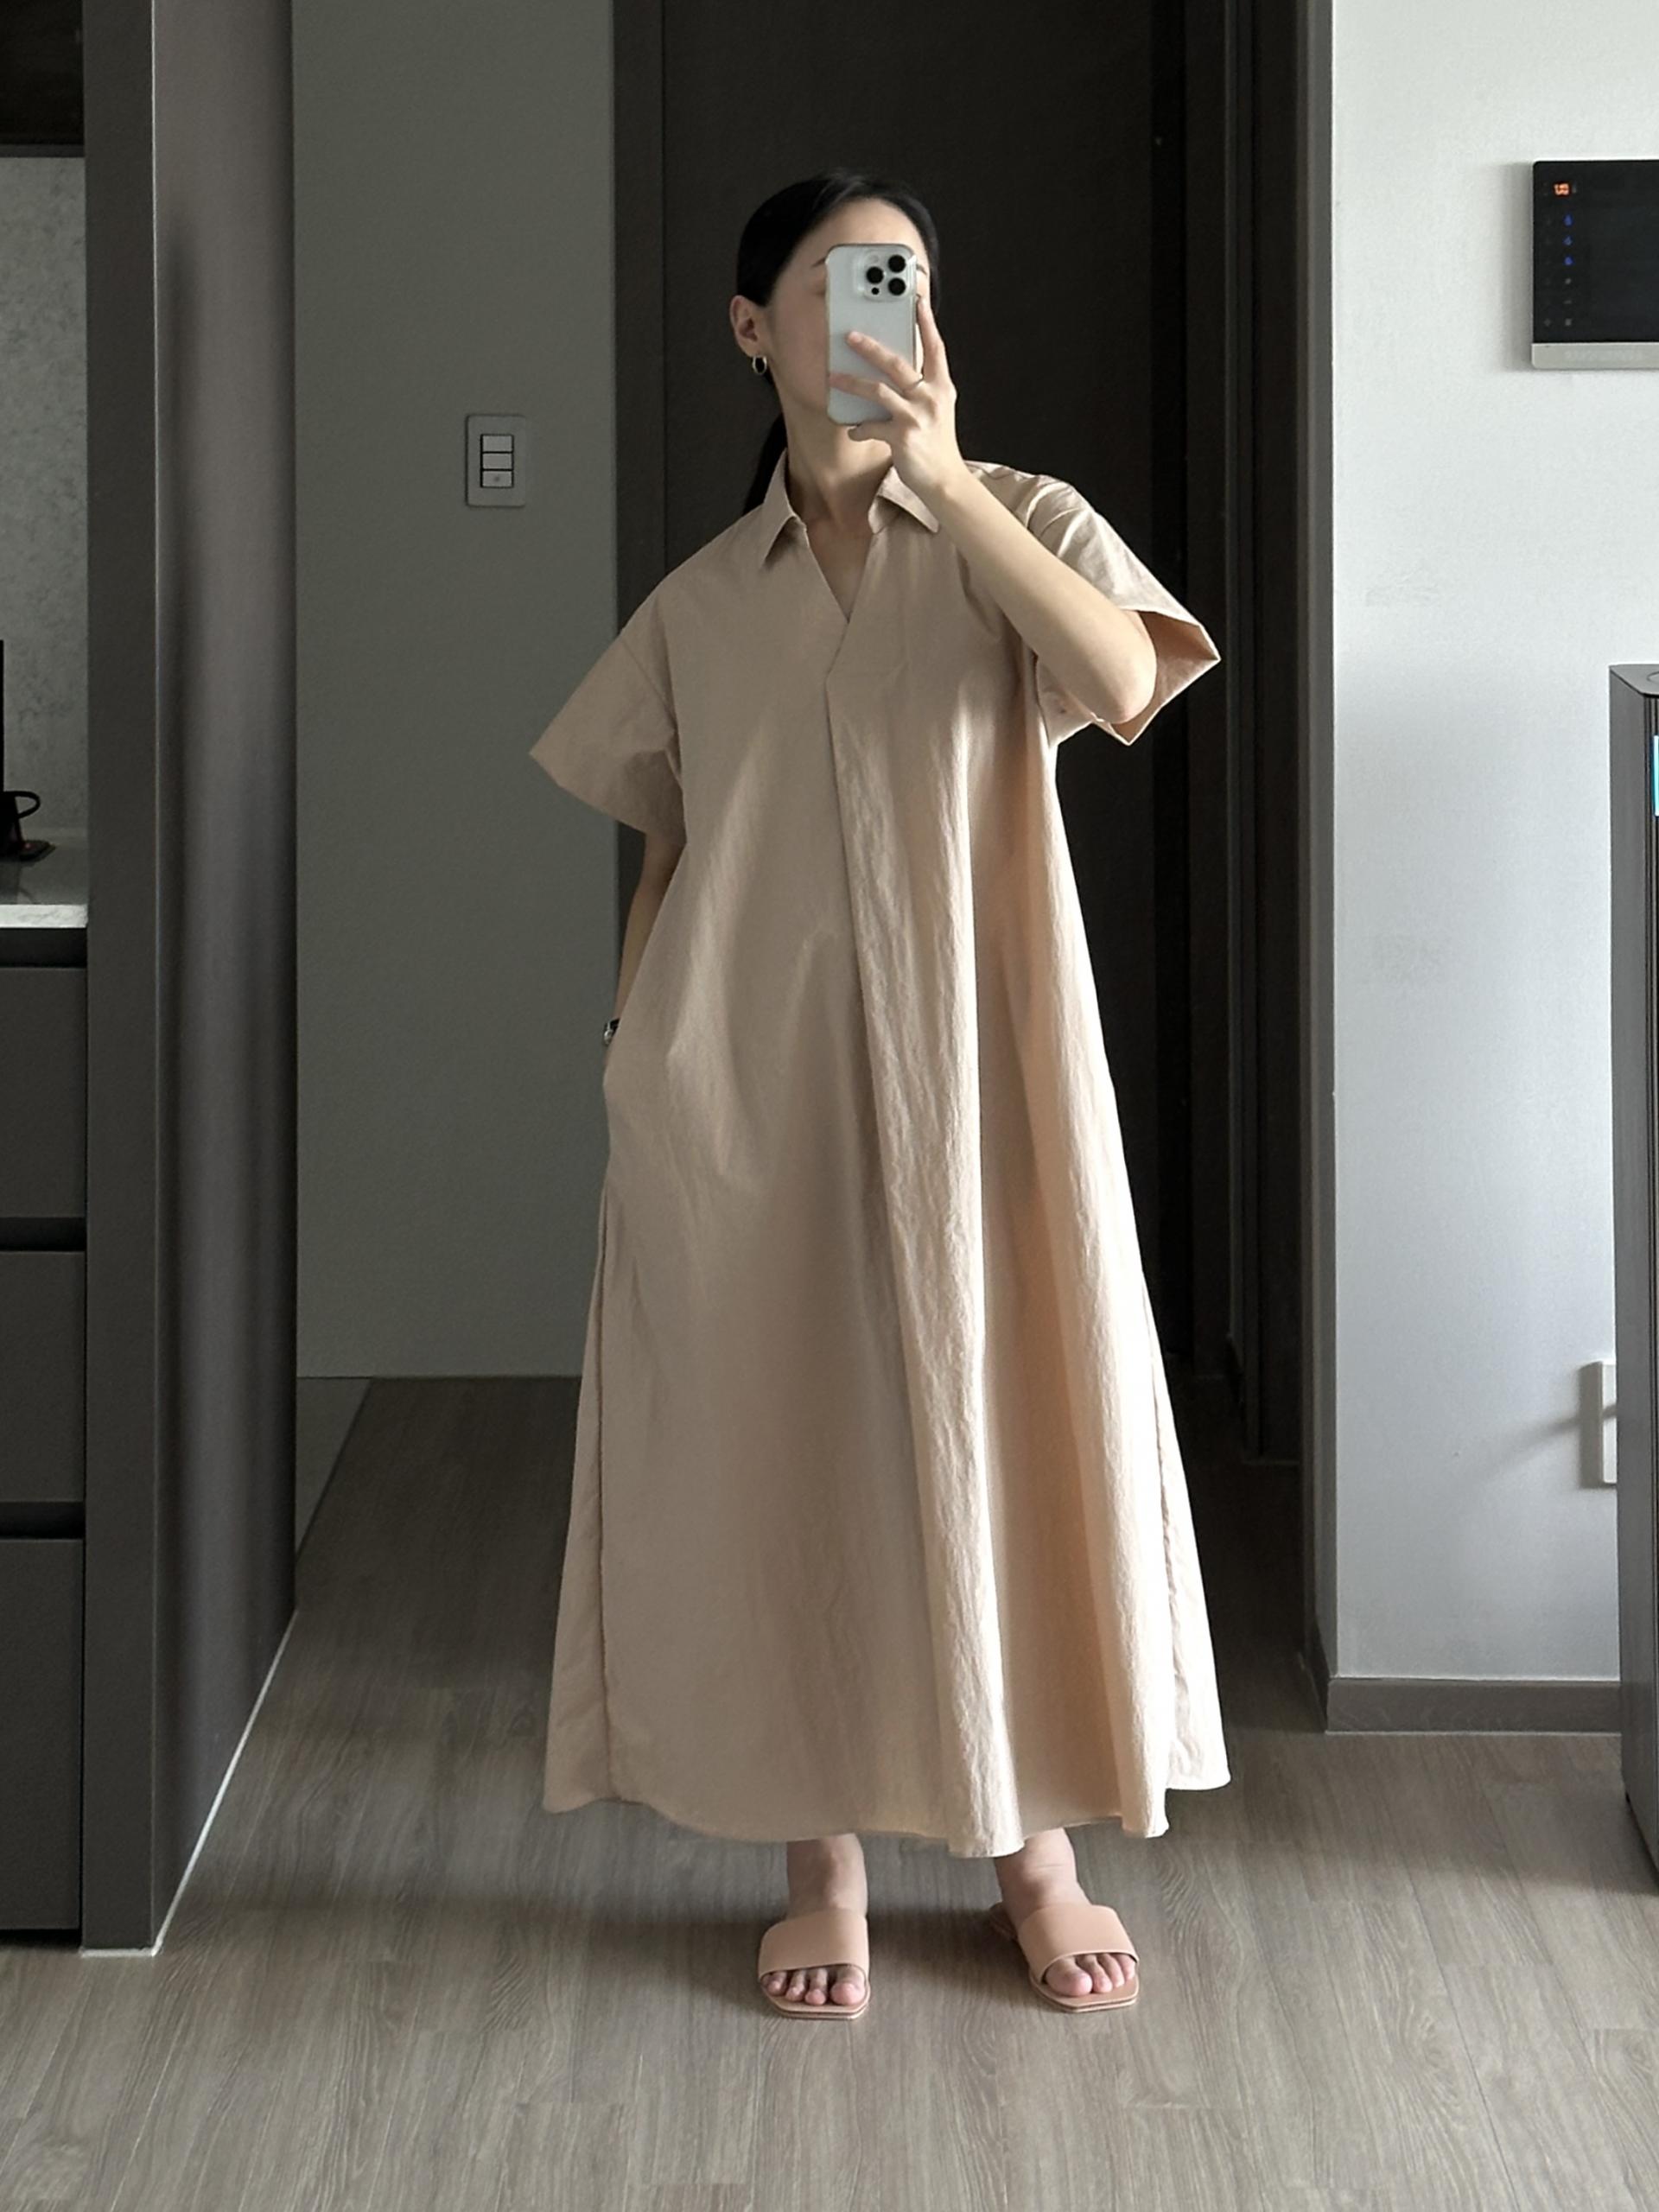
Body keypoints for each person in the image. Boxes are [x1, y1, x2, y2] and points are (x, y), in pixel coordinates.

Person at [529, 168, 1230, 2021]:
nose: (882, 311)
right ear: (753, 327)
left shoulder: (1026, 522)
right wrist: (632, 1066)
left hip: (988, 1083)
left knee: (1016, 1420)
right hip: (744, 1099)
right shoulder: (700, 607)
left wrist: (949, 487)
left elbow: (1124, 680)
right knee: (793, 1449)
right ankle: (820, 1861)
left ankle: (1033, 1850)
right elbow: (670, 853)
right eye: (844, 282)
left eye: (903, 277)